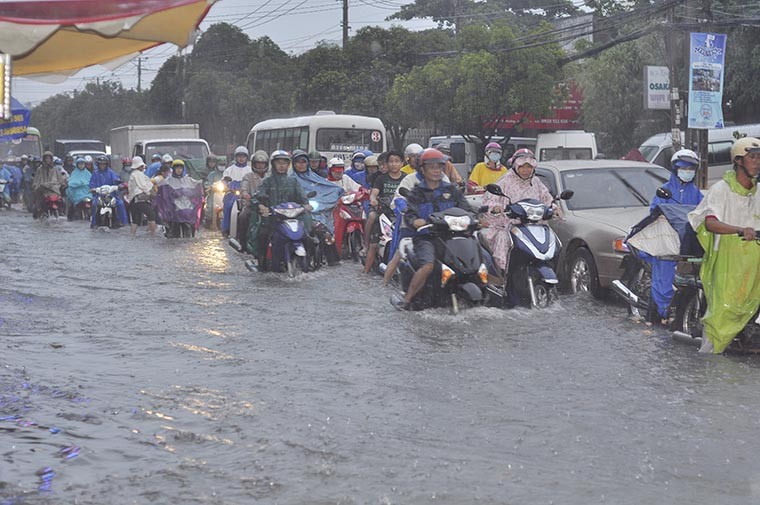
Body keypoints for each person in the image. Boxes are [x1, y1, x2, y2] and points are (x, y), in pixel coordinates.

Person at [688, 137, 760, 354]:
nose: (757, 162)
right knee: (722, 313)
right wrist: (740, 230)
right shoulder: (722, 189)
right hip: (729, 260)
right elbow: (711, 222)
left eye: (759, 158)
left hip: (754, 259)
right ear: (738, 161)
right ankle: (708, 358)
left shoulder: (758, 191)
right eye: (752, 158)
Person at [390, 148, 473, 310]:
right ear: (423, 169)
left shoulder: (451, 189)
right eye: (431, 167)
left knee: (477, 257)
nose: (436, 170)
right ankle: (407, 299)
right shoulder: (416, 191)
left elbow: (465, 208)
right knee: (428, 265)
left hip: (451, 237)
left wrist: (477, 218)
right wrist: (415, 221)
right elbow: (409, 213)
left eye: (439, 167)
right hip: (426, 237)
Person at [642, 149, 704, 324]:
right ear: (675, 169)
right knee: (662, 279)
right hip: (667, 242)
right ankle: (654, 315)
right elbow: (656, 213)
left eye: (691, 168)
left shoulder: (697, 194)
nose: (687, 171)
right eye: (684, 167)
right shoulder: (664, 191)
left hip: (687, 244)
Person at [480, 148, 554, 285]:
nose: (526, 170)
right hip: (509, 225)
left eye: (529, 167)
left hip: (534, 225)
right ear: (515, 166)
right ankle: (502, 277)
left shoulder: (536, 182)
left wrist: (554, 208)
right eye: (522, 167)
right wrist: (496, 206)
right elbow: (490, 199)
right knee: (503, 239)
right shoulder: (505, 181)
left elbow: (547, 198)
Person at [246, 150, 311, 272]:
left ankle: (310, 260)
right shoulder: (267, 181)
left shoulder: (293, 181)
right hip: (273, 219)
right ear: (273, 164)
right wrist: (261, 206)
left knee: (308, 235)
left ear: (288, 165)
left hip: (293, 217)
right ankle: (262, 263)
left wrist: (306, 205)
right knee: (263, 235)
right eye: (279, 163)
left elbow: (303, 198)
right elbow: (257, 196)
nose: (282, 166)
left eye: (285, 163)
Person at [291, 149, 343, 264]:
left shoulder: (314, 177)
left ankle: (332, 260)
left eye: (303, 162)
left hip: (312, 213)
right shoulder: (289, 179)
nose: (301, 164)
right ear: (293, 163)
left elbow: (327, 188)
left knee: (323, 232)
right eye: (298, 162)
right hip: (291, 213)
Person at [364, 150, 406, 274]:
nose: (394, 164)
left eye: (397, 161)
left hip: (401, 214)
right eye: (391, 162)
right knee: (374, 244)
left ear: (402, 163)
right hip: (384, 212)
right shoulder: (381, 179)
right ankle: (365, 272)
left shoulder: (406, 178)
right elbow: (374, 193)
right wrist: (373, 200)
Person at [154, 159, 204, 236]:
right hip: (174, 207)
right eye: (177, 168)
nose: (179, 170)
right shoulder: (168, 181)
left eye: (180, 168)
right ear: (173, 169)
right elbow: (163, 193)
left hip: (187, 207)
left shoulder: (188, 179)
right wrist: (173, 194)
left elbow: (197, 186)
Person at [236, 150, 269, 251]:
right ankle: (243, 242)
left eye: (262, 164)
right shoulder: (248, 176)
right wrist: (245, 193)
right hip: (252, 205)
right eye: (258, 164)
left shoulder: (270, 177)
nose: (260, 166)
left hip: (268, 206)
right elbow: (244, 187)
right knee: (243, 217)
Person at [89, 155, 128, 228]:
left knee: (120, 204)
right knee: (94, 204)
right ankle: (94, 223)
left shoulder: (111, 172)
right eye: (100, 164)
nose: (102, 166)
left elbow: (117, 181)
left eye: (104, 164)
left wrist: (120, 186)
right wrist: (93, 189)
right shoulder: (95, 173)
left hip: (112, 195)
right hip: (99, 196)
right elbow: (91, 185)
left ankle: (123, 222)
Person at [221, 146, 252, 236]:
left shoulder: (250, 170)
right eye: (239, 156)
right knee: (228, 206)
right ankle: (226, 228)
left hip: (246, 195)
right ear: (236, 157)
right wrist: (227, 187)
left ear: (246, 157)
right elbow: (224, 181)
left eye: (243, 156)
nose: (241, 159)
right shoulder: (229, 170)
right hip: (231, 195)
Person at [127, 156, 157, 236]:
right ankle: (153, 234)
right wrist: (149, 193)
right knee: (151, 215)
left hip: (133, 200)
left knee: (135, 220)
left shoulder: (134, 174)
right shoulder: (138, 174)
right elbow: (143, 186)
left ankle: (132, 236)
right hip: (140, 200)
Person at [31, 151, 66, 219]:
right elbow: (36, 180)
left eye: (49, 158)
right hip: (43, 190)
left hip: (53, 190)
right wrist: (37, 186)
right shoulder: (40, 170)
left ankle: (61, 211)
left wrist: (62, 184)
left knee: (61, 200)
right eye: (46, 158)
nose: (48, 160)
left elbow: (60, 179)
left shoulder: (55, 170)